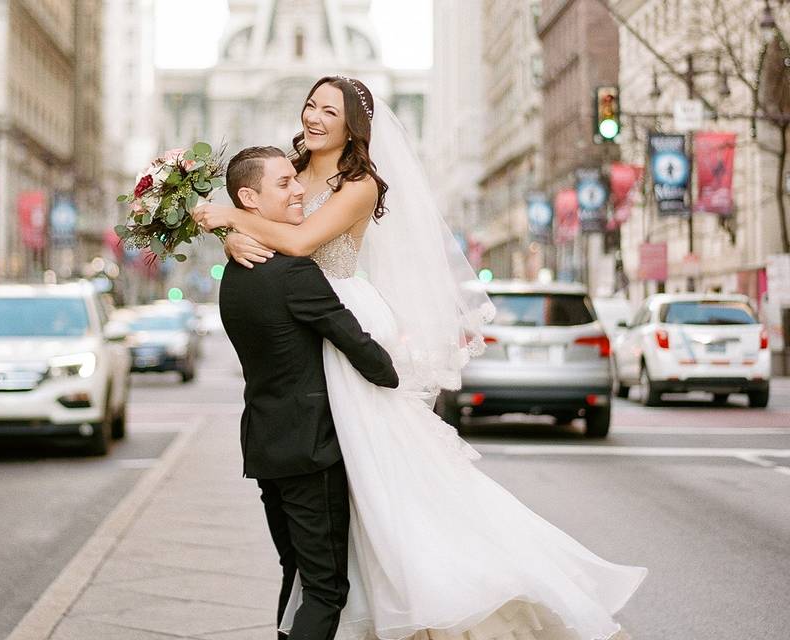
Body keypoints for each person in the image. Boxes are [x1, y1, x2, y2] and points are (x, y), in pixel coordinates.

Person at [195, 77, 647, 640]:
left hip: (338, 311)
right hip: (300, 323)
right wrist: (228, 235)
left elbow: (300, 242)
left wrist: (225, 221)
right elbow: (261, 209)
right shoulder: (285, 170)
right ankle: (329, 599)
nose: (313, 116)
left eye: (328, 110)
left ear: (353, 126)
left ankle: (429, 585)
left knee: (383, 480)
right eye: (310, 104)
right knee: (328, 512)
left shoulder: (358, 184)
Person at [217, 145, 400, 640]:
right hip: (309, 450)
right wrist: (395, 370)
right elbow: (367, 355)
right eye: (284, 184)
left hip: (265, 444)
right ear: (248, 198)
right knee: (325, 591)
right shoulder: (295, 273)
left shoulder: (235, 274)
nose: (300, 189)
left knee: (296, 576)